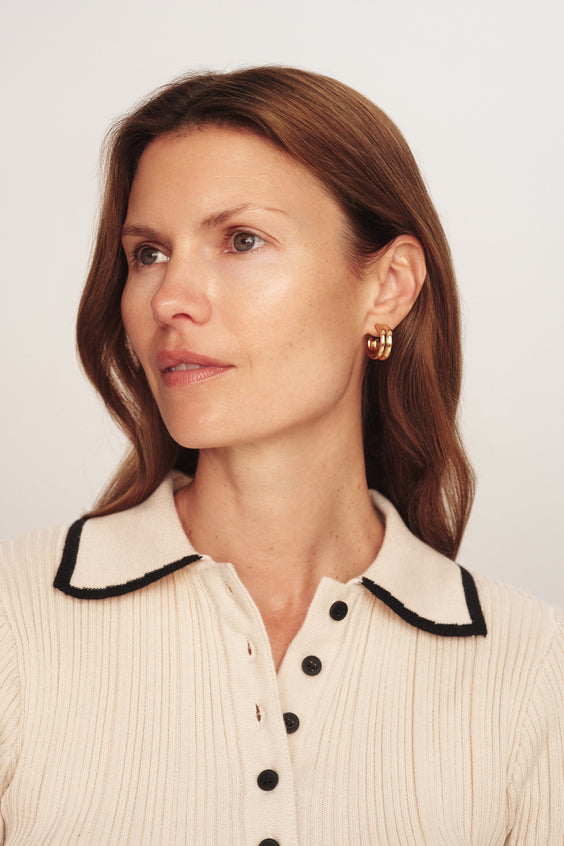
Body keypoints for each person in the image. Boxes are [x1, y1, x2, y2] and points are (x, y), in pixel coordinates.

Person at [0, 67, 562, 845]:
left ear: (389, 285)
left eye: (242, 240)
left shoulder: (533, 669)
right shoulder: (14, 622)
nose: (170, 299)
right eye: (149, 253)